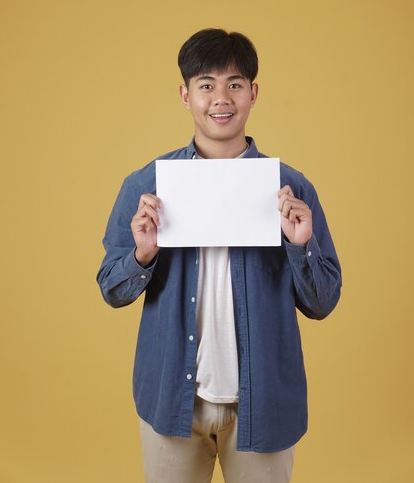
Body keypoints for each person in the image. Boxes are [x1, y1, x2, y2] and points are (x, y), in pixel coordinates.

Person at [96, 28, 341, 483]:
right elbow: (111, 287)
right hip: (171, 399)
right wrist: (143, 255)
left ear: (253, 93)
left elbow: (323, 302)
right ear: (185, 95)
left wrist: (300, 244)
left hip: (263, 403)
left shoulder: (291, 187)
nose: (220, 98)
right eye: (206, 85)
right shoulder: (146, 184)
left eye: (235, 84)